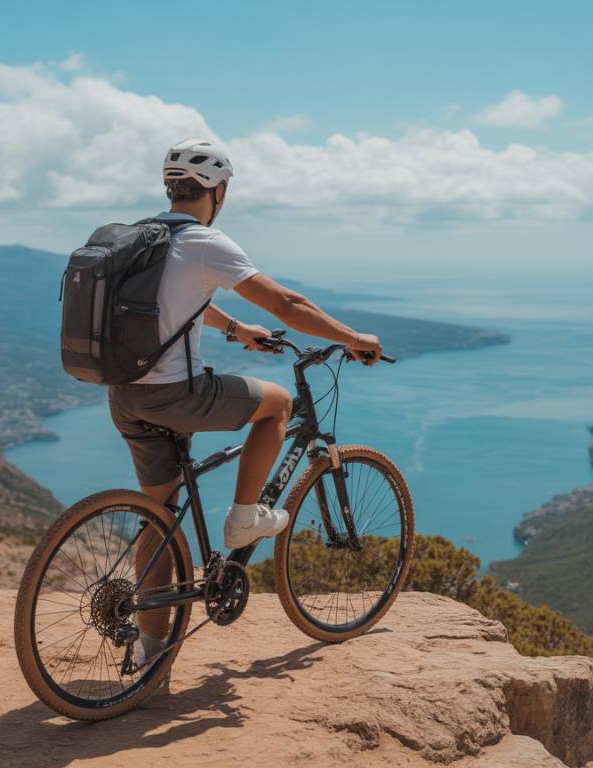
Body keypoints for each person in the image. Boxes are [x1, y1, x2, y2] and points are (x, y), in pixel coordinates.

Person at [110, 138, 384, 667]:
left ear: (170, 188)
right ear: (219, 190)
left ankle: (148, 653)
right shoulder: (205, 242)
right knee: (278, 404)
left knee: (160, 516)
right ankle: (243, 518)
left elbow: (176, 302)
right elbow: (287, 304)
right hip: (174, 395)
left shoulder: (140, 240)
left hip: (125, 395)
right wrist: (353, 338)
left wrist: (235, 328)